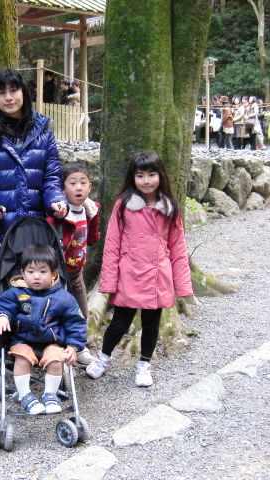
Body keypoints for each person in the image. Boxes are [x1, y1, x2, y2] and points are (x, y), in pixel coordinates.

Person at [0, 68, 68, 380]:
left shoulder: (42, 128)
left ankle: (42, 358)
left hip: (36, 231)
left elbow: (52, 175)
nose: (8, 97)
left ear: (24, 92)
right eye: (1, 92)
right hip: (0, 229)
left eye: (13, 90)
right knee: (0, 301)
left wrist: (56, 199)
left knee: (45, 296)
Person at [85, 151, 193, 387]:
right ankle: (103, 359)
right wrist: (108, 282)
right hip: (130, 275)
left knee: (151, 324)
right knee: (119, 323)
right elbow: (112, 245)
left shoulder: (169, 208)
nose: (146, 180)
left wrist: (183, 286)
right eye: (140, 175)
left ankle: (144, 365)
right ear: (132, 177)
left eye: (152, 174)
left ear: (160, 175)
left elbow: (178, 248)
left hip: (157, 276)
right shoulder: (123, 206)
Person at [0, 245, 86, 415]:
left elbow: (75, 323)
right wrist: (1, 317)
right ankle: (25, 395)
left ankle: (50, 395)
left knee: (56, 359)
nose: (36, 276)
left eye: (43, 271)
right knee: (22, 357)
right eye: (31, 271)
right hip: (22, 339)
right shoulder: (16, 293)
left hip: (52, 342)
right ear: (23, 272)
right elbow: (2, 307)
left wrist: (73, 346)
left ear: (53, 274)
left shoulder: (63, 298)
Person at [47, 162, 100, 366]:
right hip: (58, 273)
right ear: (63, 188)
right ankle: (59, 347)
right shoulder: (60, 212)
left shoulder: (89, 209)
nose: (78, 187)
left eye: (83, 183)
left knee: (81, 310)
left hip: (77, 271)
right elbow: (49, 231)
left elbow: (92, 238)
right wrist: (57, 216)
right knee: (60, 310)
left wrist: (94, 218)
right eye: (73, 183)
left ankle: (80, 346)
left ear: (90, 187)